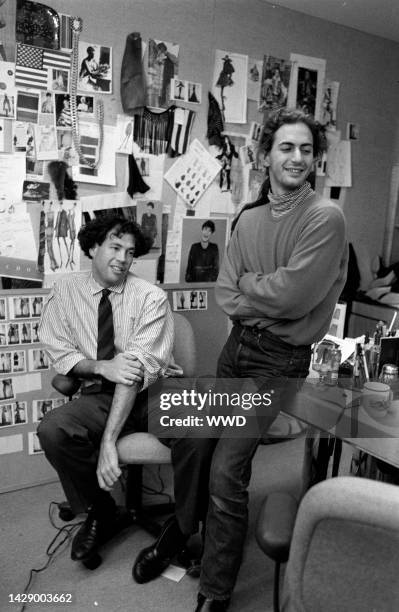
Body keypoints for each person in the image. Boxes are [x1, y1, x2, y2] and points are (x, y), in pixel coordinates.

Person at [194, 108, 348, 611]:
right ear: (265, 155)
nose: (297, 157)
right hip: (235, 348)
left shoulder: (325, 218)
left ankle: (215, 589)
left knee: (226, 471)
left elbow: (293, 299)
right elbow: (225, 292)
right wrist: (260, 292)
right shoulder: (249, 217)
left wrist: (253, 288)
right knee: (199, 446)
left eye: (306, 149)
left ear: (316, 158)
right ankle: (199, 543)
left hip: (277, 360)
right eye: (286, 147)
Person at [37, 214, 213, 579]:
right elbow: (61, 354)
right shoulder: (64, 294)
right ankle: (101, 510)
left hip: (154, 389)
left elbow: (134, 372)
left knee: (198, 431)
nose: (123, 258)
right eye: (115, 247)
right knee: (53, 429)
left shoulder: (150, 297)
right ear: (92, 248)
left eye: (130, 252)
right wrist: (101, 367)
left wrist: (109, 442)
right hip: (100, 394)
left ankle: (178, 531)